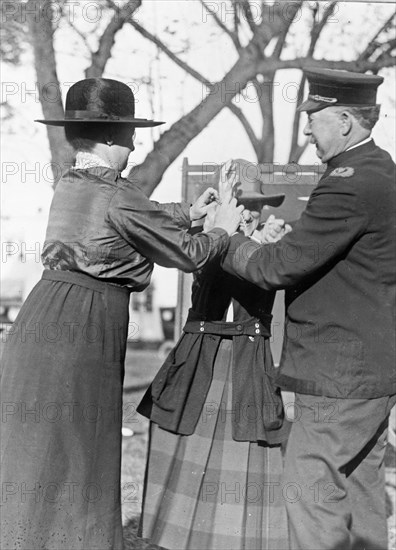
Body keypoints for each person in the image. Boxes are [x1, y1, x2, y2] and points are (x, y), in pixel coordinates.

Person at [0, 78, 243, 550]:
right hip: (81, 328)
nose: (135, 141)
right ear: (111, 138)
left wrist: (186, 213)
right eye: (130, 132)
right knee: (80, 446)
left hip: (48, 317)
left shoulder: (75, 182)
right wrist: (221, 230)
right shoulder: (115, 191)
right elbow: (189, 254)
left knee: (46, 446)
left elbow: (130, 220)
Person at [220, 68, 396, 549]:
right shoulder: (382, 172)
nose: (306, 129)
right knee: (359, 493)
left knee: (311, 488)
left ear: (344, 121)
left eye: (313, 118)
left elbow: (277, 270)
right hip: (371, 374)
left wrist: (229, 236)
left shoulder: (349, 182)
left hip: (337, 374)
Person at [137, 160, 291, 550]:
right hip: (199, 364)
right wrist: (219, 227)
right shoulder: (211, 241)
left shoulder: (269, 252)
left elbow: (263, 273)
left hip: (246, 368)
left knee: (244, 464)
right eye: (243, 203)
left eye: (259, 206)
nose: (251, 213)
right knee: (185, 454)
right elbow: (204, 257)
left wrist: (261, 244)